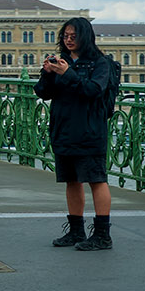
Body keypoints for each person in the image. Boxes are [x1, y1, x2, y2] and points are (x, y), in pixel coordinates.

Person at [35, 17, 120, 251]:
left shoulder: (100, 63)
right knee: (71, 180)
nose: (69, 40)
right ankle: (76, 230)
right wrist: (48, 73)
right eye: (65, 36)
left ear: (85, 37)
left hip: (90, 130)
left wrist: (67, 73)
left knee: (96, 179)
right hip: (63, 129)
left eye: (74, 36)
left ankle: (102, 234)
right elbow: (43, 93)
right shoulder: (61, 61)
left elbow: (93, 90)